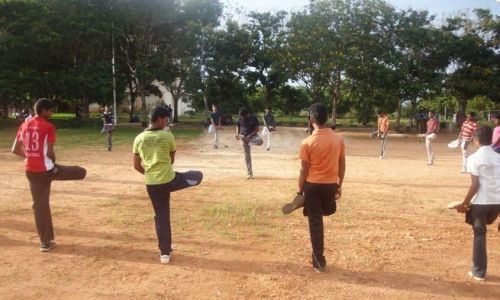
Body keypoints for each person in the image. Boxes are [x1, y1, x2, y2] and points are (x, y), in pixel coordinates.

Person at [11, 98, 87, 252]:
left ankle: (45, 242)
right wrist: (51, 161)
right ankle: (82, 173)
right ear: (44, 110)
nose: (52, 113)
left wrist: (29, 156)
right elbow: (50, 153)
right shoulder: (48, 127)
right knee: (78, 172)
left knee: (39, 205)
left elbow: (14, 149)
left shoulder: (24, 125)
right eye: (51, 110)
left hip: (31, 171)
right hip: (47, 170)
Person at [133, 106, 203, 264]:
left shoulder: (138, 138)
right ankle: (166, 250)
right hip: (169, 180)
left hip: (151, 183)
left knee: (161, 216)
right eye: (165, 120)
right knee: (197, 175)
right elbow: (171, 161)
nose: (166, 123)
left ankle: (165, 253)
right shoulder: (168, 136)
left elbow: (136, 165)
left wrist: (150, 175)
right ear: (159, 119)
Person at [282, 103, 345, 273]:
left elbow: (304, 170)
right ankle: (309, 205)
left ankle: (319, 261)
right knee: (327, 210)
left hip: (312, 186)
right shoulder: (338, 139)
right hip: (330, 185)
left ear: (311, 120)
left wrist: (300, 190)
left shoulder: (307, 142)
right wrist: (339, 185)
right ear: (327, 119)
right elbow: (342, 164)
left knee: (316, 222)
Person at [454, 126, 500, 281]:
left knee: (480, 234)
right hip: (497, 203)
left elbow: (475, 185)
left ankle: (478, 272)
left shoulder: (473, 158)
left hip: (481, 203)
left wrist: (464, 204)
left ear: (475, 140)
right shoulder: (498, 157)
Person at [235, 107, 263, 179]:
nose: (242, 118)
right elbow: (238, 126)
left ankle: (248, 142)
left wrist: (249, 137)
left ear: (247, 114)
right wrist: (237, 134)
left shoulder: (253, 118)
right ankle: (249, 174)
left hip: (252, 136)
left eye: (243, 116)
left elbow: (257, 129)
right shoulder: (240, 118)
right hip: (244, 138)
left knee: (260, 141)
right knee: (247, 156)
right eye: (241, 116)